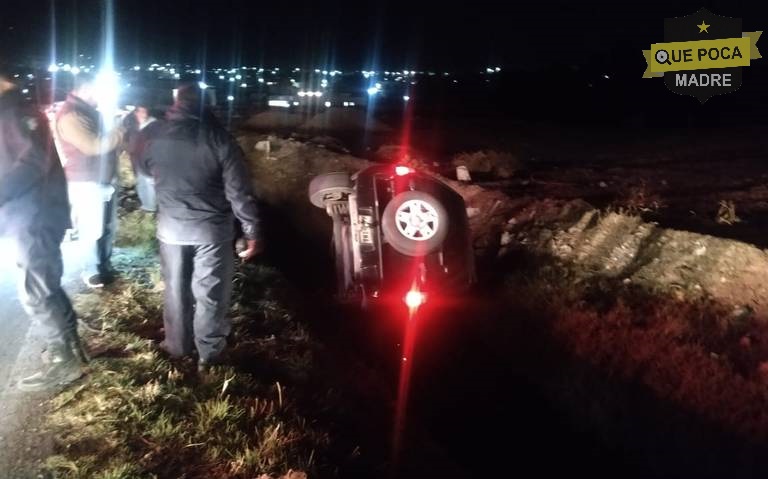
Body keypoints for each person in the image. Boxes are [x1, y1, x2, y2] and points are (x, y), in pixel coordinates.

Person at [136, 84, 262, 371]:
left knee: (175, 289)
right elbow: (239, 193)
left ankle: (177, 347)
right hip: (212, 231)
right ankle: (210, 354)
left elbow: (143, 168)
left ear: (176, 102)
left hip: (171, 229)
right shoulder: (219, 139)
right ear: (208, 105)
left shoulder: (153, 135)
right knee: (210, 292)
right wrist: (252, 231)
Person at [0, 65, 87, 391]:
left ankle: (63, 362)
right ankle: (71, 354)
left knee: (36, 292)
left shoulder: (15, 112)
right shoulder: (10, 111)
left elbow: (34, 160)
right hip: (28, 215)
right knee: (44, 287)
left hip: (34, 216)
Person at [54, 74, 125, 288]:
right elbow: (93, 146)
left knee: (107, 227)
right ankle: (91, 270)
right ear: (85, 89)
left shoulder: (87, 112)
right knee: (92, 229)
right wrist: (119, 131)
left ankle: (103, 263)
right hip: (86, 182)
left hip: (100, 180)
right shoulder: (72, 115)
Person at [125, 103, 158, 212]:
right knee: (140, 181)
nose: (144, 114)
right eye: (141, 111)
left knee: (149, 182)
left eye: (145, 111)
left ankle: (151, 207)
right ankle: (144, 205)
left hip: (148, 159)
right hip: (136, 157)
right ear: (136, 113)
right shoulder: (133, 125)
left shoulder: (153, 125)